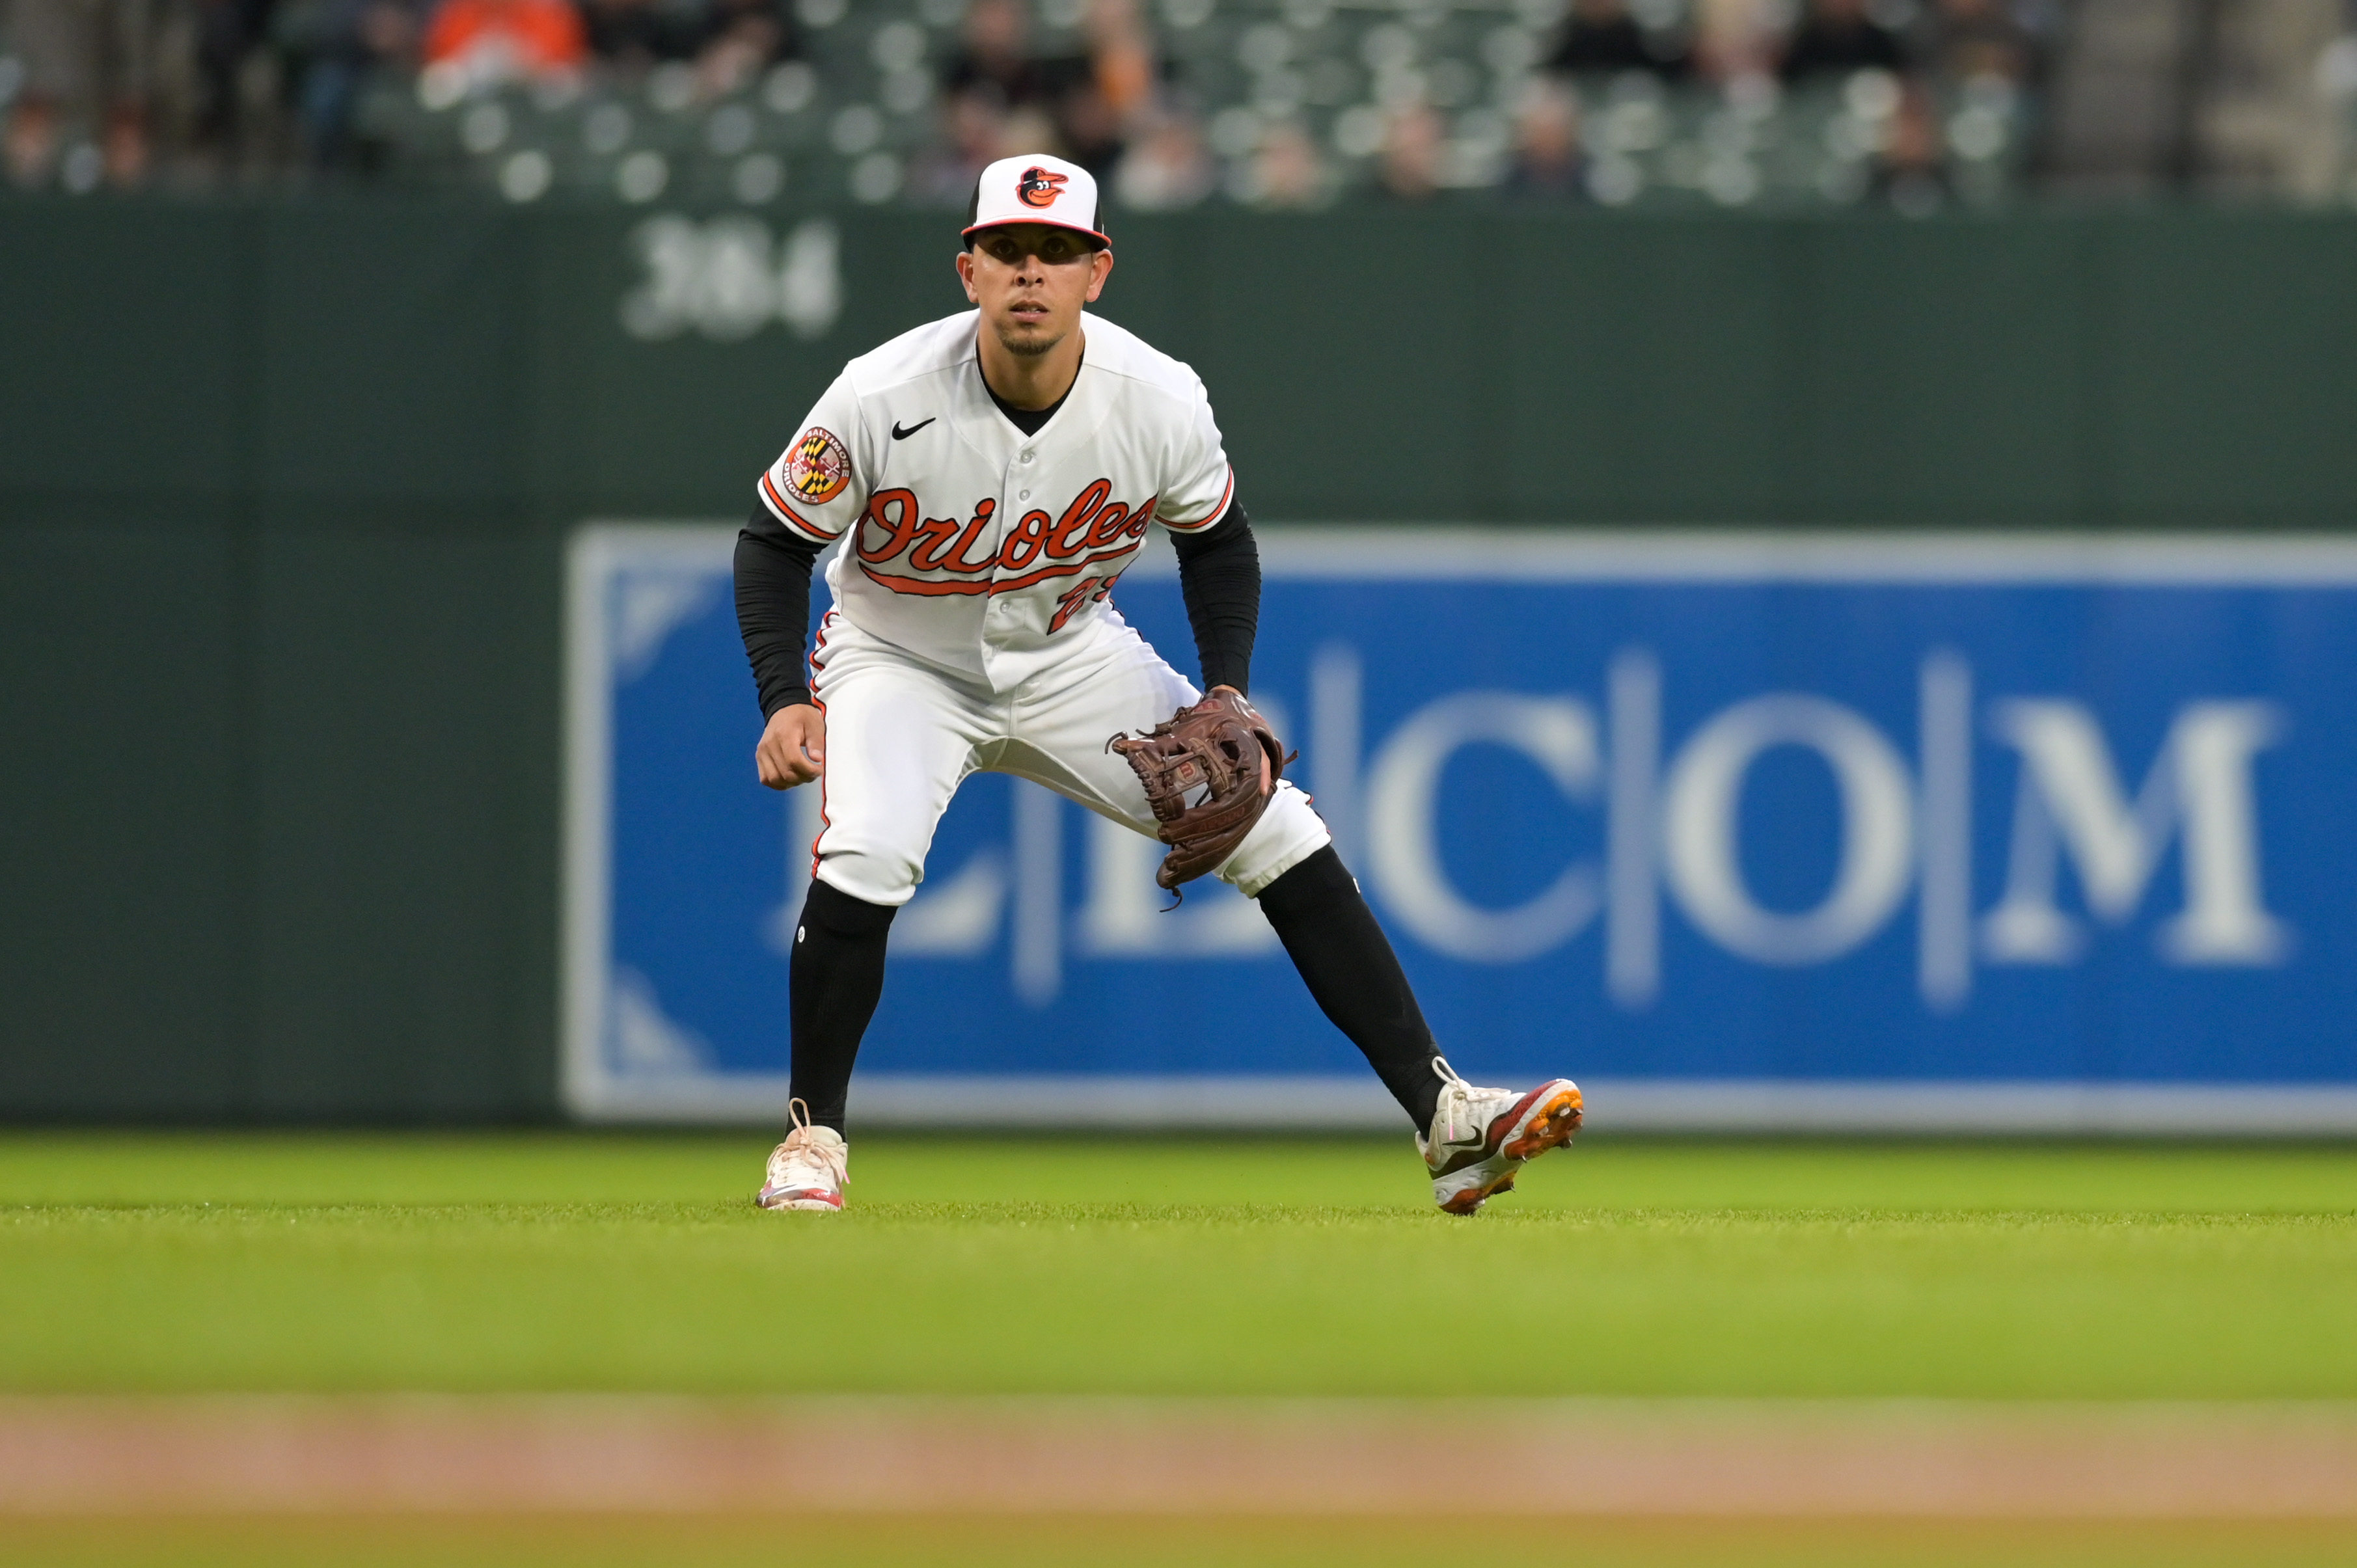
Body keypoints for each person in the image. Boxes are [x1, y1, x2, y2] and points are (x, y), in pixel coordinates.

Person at [733, 154, 1584, 1217]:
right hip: (898, 653)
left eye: (1057, 253)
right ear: (968, 271)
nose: (1029, 274)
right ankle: (812, 1140)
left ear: (1099, 271)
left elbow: (1219, 546)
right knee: (868, 850)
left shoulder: (1158, 397)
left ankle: (1446, 1119)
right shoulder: (880, 391)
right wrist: (784, 694)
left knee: (1273, 824)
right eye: (1006, 251)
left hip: (1067, 650)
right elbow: (771, 545)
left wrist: (1224, 691)